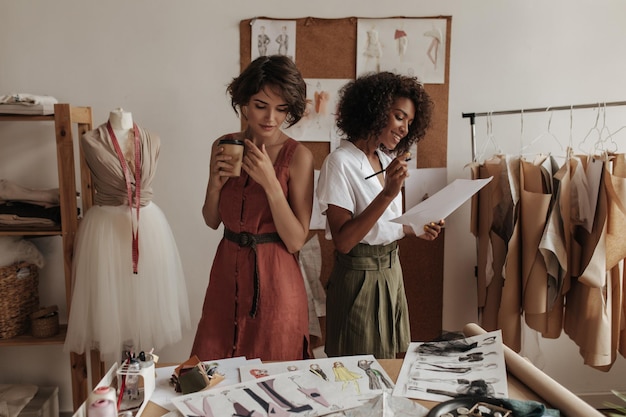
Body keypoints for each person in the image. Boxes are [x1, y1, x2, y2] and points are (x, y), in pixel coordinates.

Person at [191, 55, 314, 361]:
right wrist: (215, 185)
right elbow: (211, 220)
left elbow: (296, 240)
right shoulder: (224, 144)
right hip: (225, 274)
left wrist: (270, 183)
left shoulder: (299, 157)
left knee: (274, 375)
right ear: (244, 102)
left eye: (281, 109)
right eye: (261, 105)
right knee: (214, 369)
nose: (271, 117)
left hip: (275, 280)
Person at [316, 71, 443, 359]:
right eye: (399, 117)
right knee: (358, 368)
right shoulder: (339, 163)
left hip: (390, 271)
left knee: (388, 363)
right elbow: (344, 241)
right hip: (359, 278)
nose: (405, 129)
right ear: (374, 109)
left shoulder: (385, 159)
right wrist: (387, 193)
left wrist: (415, 228)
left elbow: (383, 226)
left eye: (409, 122)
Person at [64, 108, 190, 363]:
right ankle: (118, 385)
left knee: (144, 301)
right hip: (106, 228)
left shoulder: (151, 139)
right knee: (112, 299)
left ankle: (139, 381)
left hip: (147, 225)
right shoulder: (91, 140)